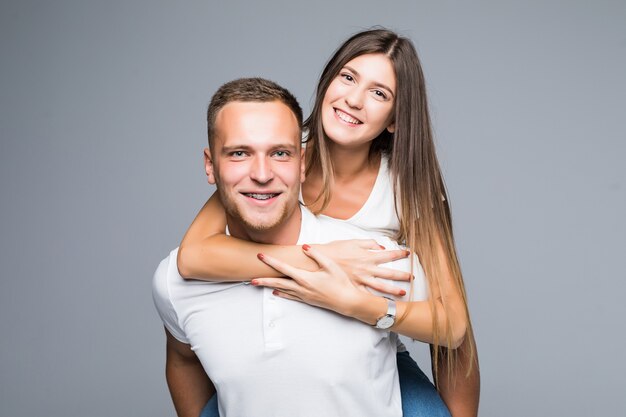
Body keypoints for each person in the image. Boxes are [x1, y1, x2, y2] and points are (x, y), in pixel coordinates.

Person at [179, 29, 480, 417]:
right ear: (327, 83)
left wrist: (358, 304)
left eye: (379, 93)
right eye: (348, 77)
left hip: (364, 350)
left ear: (394, 119)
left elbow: (454, 326)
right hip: (267, 350)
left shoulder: (406, 188)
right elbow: (193, 256)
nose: (354, 100)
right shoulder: (278, 157)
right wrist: (321, 258)